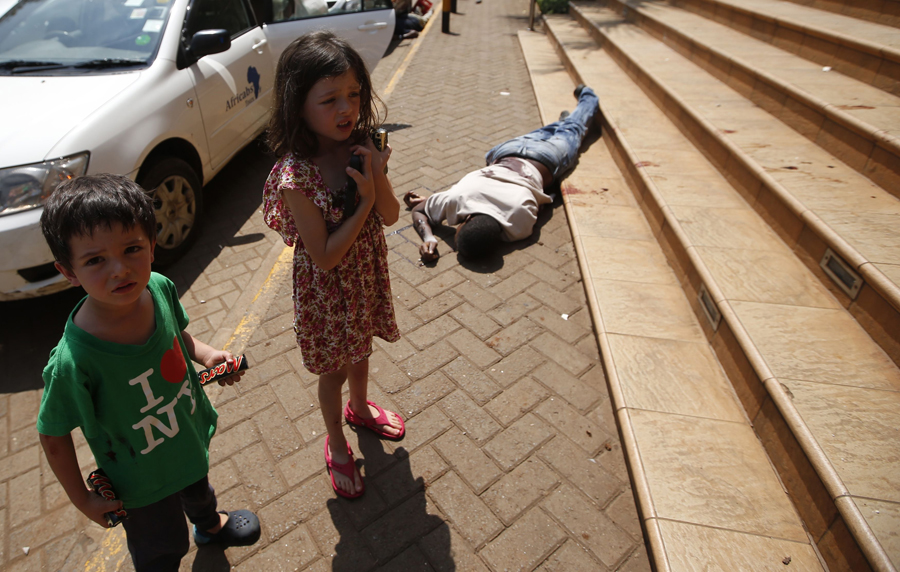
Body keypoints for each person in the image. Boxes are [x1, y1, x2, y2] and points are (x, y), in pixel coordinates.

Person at [36, 174, 260, 572]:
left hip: (184, 439)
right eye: (95, 260)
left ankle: (209, 525)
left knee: (199, 489)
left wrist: (208, 356)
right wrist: (82, 499)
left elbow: (180, 336)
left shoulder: (158, 287)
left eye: (132, 248)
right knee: (161, 547)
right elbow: (53, 435)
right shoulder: (74, 360)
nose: (119, 269)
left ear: (153, 246)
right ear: (68, 271)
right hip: (138, 480)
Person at [263, 31, 404, 499]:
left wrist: (376, 175)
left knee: (362, 351)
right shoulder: (295, 176)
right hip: (327, 293)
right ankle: (337, 443)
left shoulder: (361, 146)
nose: (346, 108)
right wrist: (363, 201)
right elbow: (323, 256)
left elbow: (391, 214)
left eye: (353, 94)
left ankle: (360, 409)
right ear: (297, 105)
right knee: (335, 371)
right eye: (329, 99)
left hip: (363, 275)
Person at [407, 84, 599, 261]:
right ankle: (564, 121)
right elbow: (419, 210)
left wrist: (428, 231)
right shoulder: (457, 199)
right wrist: (429, 234)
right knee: (554, 132)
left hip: (544, 160)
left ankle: (587, 98)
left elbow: (543, 205)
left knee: (575, 131)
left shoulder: (518, 223)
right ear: (466, 222)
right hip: (504, 151)